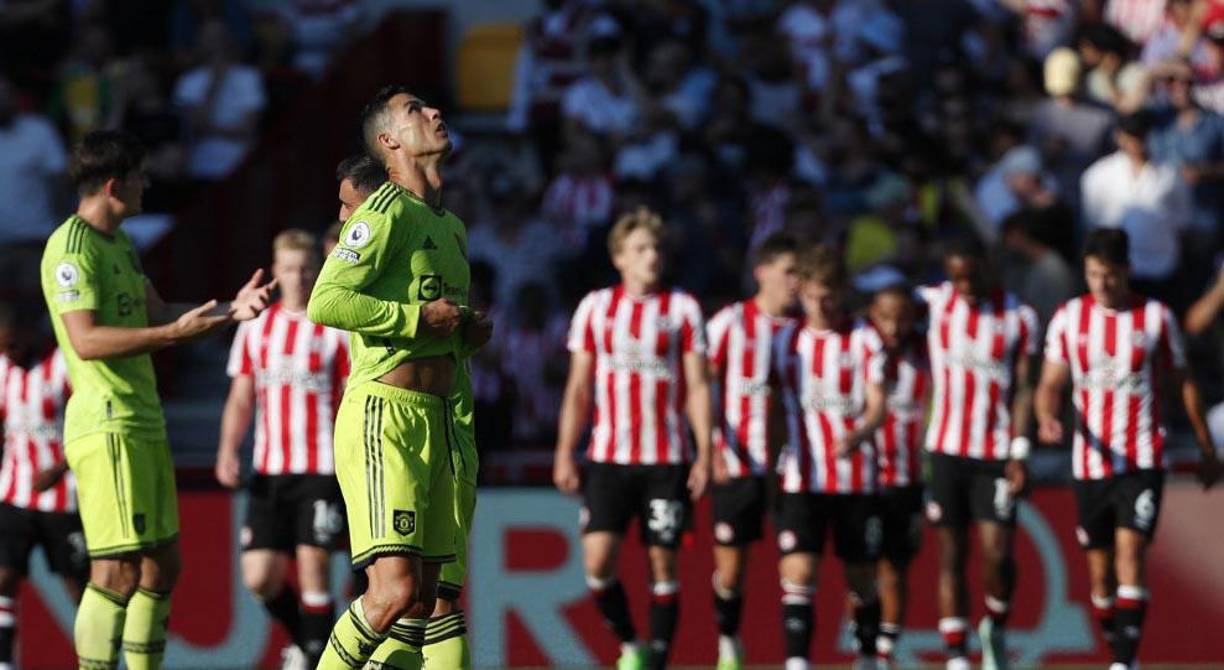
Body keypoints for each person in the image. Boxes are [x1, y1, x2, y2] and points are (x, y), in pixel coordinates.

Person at [39, 129, 275, 670]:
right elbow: (86, 340)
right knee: (117, 569)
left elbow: (161, 311)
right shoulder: (70, 248)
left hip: (141, 421)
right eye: (142, 177)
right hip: (107, 424)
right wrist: (173, 337)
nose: (149, 185)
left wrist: (229, 312)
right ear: (114, 184)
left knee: (162, 566)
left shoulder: (119, 243)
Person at [308, 86, 492, 670]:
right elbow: (326, 301)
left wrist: (464, 334)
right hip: (385, 415)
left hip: (438, 421)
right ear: (389, 141)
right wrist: (416, 317)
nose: (435, 113)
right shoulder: (383, 211)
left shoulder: (453, 227)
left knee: (420, 602)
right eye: (416, 111)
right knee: (390, 593)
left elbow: (436, 329)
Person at [1035, 228, 1221, 670]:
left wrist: (1205, 444)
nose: (1101, 284)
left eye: (1110, 275)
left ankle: (1123, 663)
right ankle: (1122, 651)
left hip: (1141, 456)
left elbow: (1182, 381)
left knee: (1130, 553)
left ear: (1127, 272)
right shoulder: (1069, 319)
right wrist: (1047, 415)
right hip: (1090, 463)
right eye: (1094, 274)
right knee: (1100, 577)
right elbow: (1050, 382)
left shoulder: (1155, 318)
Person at [553, 207, 712, 670]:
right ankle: (629, 643)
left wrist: (705, 452)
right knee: (598, 564)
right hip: (608, 458)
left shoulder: (682, 308)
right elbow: (578, 388)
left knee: (664, 564)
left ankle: (658, 661)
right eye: (641, 249)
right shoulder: (596, 308)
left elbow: (699, 386)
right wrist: (566, 452)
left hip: (668, 458)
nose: (652, 256)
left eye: (657, 248)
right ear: (619, 257)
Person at [214, 229, 350, 669]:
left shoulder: (337, 328)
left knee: (315, 571)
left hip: (322, 469)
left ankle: (317, 659)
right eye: (290, 269)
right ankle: (307, 644)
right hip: (270, 470)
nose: (299, 277)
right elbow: (241, 396)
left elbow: (351, 395)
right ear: (276, 272)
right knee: (260, 577)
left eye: (307, 268)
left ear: (318, 270)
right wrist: (227, 450)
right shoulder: (257, 326)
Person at [918, 238, 1038, 670]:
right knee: (951, 553)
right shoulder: (933, 304)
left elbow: (1025, 387)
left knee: (997, 554)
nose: (964, 285)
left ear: (988, 268)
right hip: (946, 451)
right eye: (956, 277)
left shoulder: (1019, 316)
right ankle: (956, 653)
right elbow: (879, 304)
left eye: (971, 275)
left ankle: (996, 626)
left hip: (996, 452)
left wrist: (1020, 450)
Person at [771, 245, 886, 670]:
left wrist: (862, 431)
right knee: (798, 574)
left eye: (831, 295)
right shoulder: (785, 340)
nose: (823, 305)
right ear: (802, 291)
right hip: (802, 478)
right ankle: (798, 663)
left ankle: (869, 656)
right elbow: (770, 407)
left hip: (855, 479)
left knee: (861, 578)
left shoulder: (863, 337)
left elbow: (878, 403)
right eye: (816, 295)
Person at [704, 233, 799, 670]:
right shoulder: (730, 322)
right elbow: (700, 385)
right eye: (788, 272)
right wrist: (709, 449)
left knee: (798, 565)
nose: (795, 282)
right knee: (732, 570)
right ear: (762, 270)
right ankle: (728, 642)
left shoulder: (804, 331)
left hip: (793, 468)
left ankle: (795, 657)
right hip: (736, 461)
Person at [0, 302, 85, 670]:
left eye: (13, 345)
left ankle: (98, 660)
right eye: (2, 348)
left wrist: (59, 468)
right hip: (14, 494)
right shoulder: (2, 370)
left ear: (31, 334)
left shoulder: (64, 367)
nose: (9, 354)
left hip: (63, 499)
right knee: (3, 577)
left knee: (78, 588)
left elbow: (90, 427)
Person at [862, 285, 930, 667]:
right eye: (885, 316)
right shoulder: (856, 347)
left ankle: (885, 652)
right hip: (862, 477)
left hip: (907, 477)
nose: (893, 326)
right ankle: (865, 648)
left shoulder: (926, 353)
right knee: (861, 569)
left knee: (894, 568)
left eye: (901, 317)